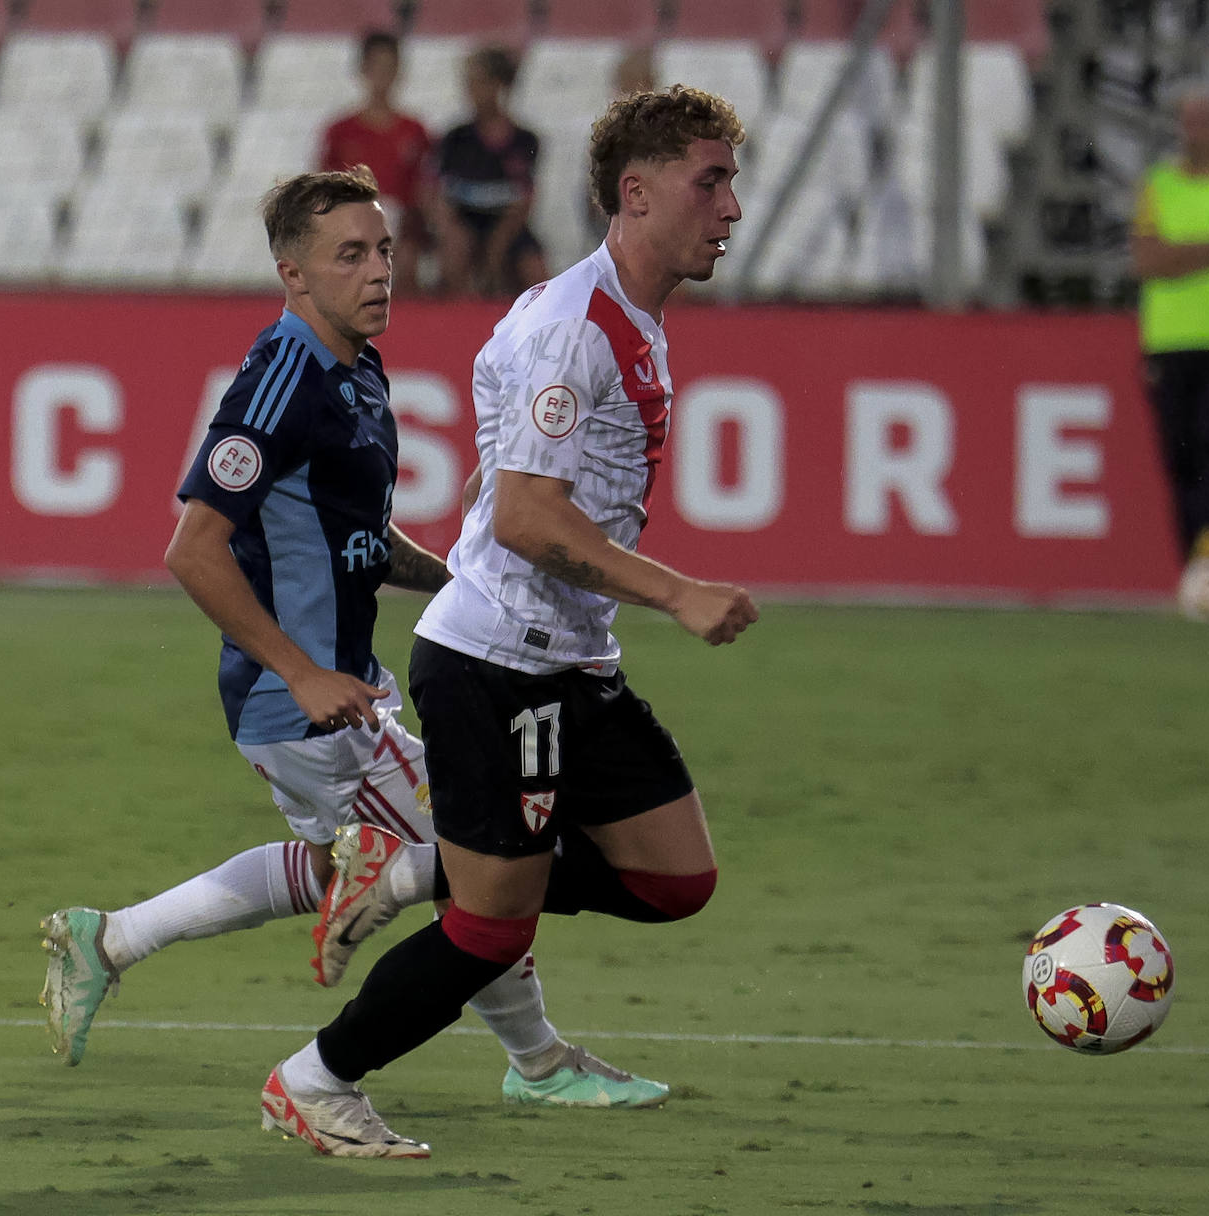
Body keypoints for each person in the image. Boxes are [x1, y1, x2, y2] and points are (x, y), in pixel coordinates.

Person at [38, 169, 667, 1149]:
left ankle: (111, 938)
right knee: (479, 863)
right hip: (302, 701)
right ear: (293, 274)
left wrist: (458, 574)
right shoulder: (282, 378)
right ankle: (520, 1066)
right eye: (350, 255)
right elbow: (192, 549)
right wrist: (299, 671)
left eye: (382, 249)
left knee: (389, 863)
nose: (381, 270)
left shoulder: (358, 368)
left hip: (344, 686)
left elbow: (362, 539)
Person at [263, 85, 757, 1159]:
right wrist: (679, 592)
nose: (729, 207)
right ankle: (316, 1080)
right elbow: (531, 518)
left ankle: (407, 868)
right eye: (708, 182)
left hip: (571, 658)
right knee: (494, 925)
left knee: (676, 877)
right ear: (637, 192)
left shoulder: (629, 319)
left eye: (730, 183)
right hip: (498, 665)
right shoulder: (573, 328)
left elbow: (521, 495)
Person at [1131, 84, 1209, 604]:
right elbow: (1145, 261)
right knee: (1179, 457)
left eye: (1205, 120)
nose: (1194, 132)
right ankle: (1198, 572)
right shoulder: (1158, 184)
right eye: (1188, 121)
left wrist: (1177, 256)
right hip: (1170, 340)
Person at [317, 31, 432, 297]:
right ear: (363, 69)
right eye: (376, 67)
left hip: (403, 229)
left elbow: (425, 190)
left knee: (407, 257)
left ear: (398, 71)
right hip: (352, 225)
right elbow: (324, 192)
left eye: (389, 67)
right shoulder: (340, 131)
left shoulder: (415, 131)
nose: (382, 75)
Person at [432, 45, 549, 298]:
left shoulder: (525, 140)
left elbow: (525, 199)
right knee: (454, 253)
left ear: (499, 85)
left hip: (507, 223)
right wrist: (449, 230)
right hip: (465, 220)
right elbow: (439, 196)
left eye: (479, 83)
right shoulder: (455, 137)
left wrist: (500, 240)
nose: (472, 91)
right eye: (469, 84)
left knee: (535, 270)